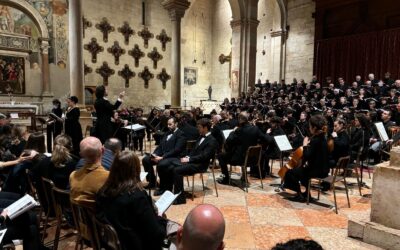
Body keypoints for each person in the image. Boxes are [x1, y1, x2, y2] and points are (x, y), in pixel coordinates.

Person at [96, 151, 167, 250]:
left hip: (113, 244)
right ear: (136, 170)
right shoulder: (137, 197)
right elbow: (157, 235)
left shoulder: (102, 191)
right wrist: (161, 219)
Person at [160, 118, 218, 204]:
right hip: (193, 161)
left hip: (200, 165)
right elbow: (193, 151)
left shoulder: (212, 140)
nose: (198, 129)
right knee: (170, 166)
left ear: (205, 128)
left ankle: (180, 199)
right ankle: (169, 191)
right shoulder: (200, 136)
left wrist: (189, 159)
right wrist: (188, 156)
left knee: (177, 170)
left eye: (199, 127)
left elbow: (204, 156)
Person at [283, 115, 330, 202]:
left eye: (310, 126)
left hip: (317, 171)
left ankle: (300, 194)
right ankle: (306, 194)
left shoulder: (316, 140)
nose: (309, 128)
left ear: (314, 127)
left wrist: (305, 145)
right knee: (302, 170)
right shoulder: (323, 137)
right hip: (324, 169)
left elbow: (307, 156)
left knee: (290, 172)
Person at [217, 112, 271, 185]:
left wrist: (233, 131)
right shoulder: (255, 129)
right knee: (242, 150)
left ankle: (226, 179)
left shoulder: (239, 130)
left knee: (221, 156)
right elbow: (266, 140)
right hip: (254, 159)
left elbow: (228, 141)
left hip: (240, 160)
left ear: (240, 119)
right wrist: (266, 134)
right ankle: (244, 176)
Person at [142, 117, 186, 192]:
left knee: (161, 164)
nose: (168, 126)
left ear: (176, 124)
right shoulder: (167, 133)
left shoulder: (181, 134)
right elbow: (160, 146)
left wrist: (162, 157)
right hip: (163, 156)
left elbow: (176, 150)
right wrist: (155, 154)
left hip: (174, 157)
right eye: (167, 124)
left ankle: (163, 187)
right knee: (146, 159)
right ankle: (152, 182)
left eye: (170, 124)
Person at [69, 137, 109, 211]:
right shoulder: (109, 177)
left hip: (77, 220)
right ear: (103, 151)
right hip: (99, 221)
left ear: (81, 155)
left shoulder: (73, 175)